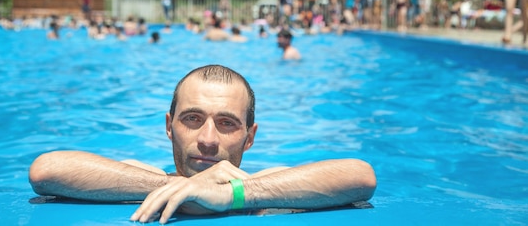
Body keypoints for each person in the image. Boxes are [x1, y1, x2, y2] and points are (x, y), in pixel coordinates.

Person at [29, 64, 376, 224]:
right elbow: (47, 170)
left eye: (226, 124)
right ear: (169, 127)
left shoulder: (265, 184)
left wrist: (234, 195)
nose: (208, 140)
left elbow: (360, 177)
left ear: (250, 136)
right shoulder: (147, 178)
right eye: (192, 119)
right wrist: (184, 188)